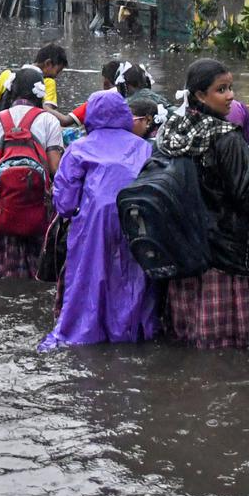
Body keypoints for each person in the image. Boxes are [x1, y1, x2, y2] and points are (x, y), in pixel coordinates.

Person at [155, 58, 249, 349]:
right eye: (222, 89)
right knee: (230, 353)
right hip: (226, 256)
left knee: (185, 344)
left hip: (187, 250)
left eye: (231, 87)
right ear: (199, 95)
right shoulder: (226, 139)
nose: (231, 95)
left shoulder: (173, 131)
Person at [39, 90, 157, 350]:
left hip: (93, 224)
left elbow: (66, 203)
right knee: (130, 280)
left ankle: (87, 333)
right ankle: (129, 334)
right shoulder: (145, 148)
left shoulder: (79, 148)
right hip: (136, 223)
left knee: (89, 278)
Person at [0, 66, 64, 278]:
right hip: (38, 205)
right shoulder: (48, 120)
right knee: (40, 270)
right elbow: (56, 169)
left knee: (3, 274)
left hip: (3, 208)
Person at [0, 44, 68, 118]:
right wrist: (67, 120)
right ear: (48, 63)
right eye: (57, 71)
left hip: (3, 134)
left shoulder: (6, 75)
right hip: (30, 135)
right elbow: (48, 115)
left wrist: (3, 116)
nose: (56, 76)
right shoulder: (47, 82)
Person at [56, 59, 121, 128]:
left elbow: (65, 121)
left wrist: (46, 108)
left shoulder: (97, 101)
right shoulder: (128, 101)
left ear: (106, 82)